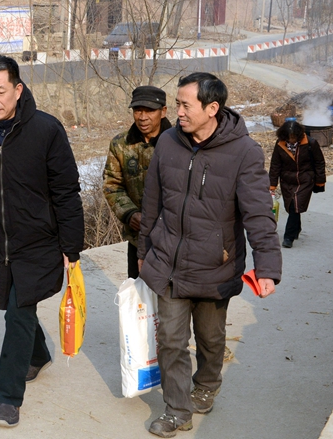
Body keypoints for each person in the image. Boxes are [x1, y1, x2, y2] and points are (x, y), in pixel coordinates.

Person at [137, 72, 282, 437]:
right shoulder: (168, 142)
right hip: (169, 263)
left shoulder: (244, 152)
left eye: (186, 105)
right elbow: (152, 201)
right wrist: (144, 250)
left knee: (210, 339)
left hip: (215, 267)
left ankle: (206, 385)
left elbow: (258, 213)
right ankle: (177, 410)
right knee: (171, 341)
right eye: (178, 103)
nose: (179, 112)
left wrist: (267, 266)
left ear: (212, 108)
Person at [0, 55, 84, 428]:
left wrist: (71, 245)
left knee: (18, 312)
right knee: (11, 306)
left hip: (38, 242)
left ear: (18, 90)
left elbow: (66, 191)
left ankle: (8, 398)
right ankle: (38, 355)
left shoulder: (46, 130)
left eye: (0, 91)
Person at [103, 85, 171, 279]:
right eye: (138, 110)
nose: (142, 117)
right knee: (138, 292)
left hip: (172, 237)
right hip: (137, 237)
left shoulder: (179, 143)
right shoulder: (121, 144)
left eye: (149, 111)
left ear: (163, 111)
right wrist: (129, 213)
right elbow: (112, 185)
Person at [269, 120, 326, 249]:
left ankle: (288, 237)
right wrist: (272, 185)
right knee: (292, 207)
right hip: (287, 180)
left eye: (294, 137)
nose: (291, 139)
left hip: (305, 180)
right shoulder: (280, 144)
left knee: (295, 206)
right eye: (289, 137)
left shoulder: (311, 143)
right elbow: (275, 165)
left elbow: (319, 162)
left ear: (299, 135)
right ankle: (297, 227)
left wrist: (320, 181)